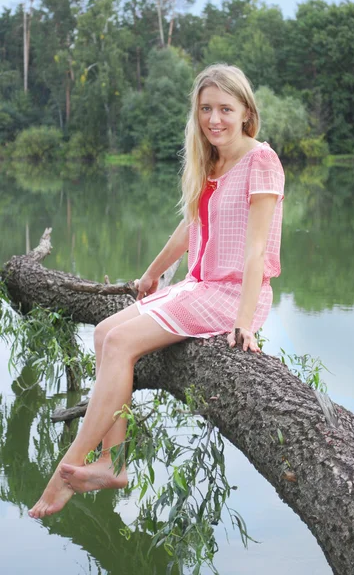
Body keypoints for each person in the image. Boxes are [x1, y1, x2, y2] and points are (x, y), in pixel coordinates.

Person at [28, 64, 285, 519]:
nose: (214, 119)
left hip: (231, 295)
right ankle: (115, 463)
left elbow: (256, 251)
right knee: (105, 333)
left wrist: (244, 322)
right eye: (206, 108)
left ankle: (67, 467)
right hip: (200, 284)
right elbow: (191, 226)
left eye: (226, 109)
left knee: (123, 343)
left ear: (247, 111)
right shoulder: (212, 160)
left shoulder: (260, 161)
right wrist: (150, 274)